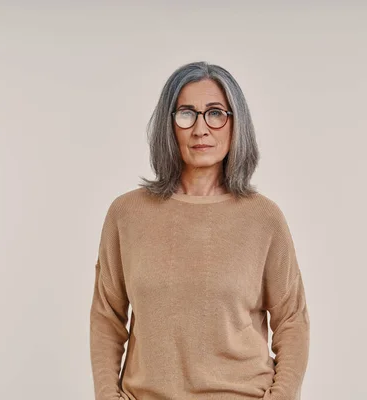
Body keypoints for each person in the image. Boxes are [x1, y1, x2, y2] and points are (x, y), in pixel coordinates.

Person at [89, 61, 310, 400]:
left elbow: (292, 321)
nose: (201, 128)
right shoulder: (126, 215)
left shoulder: (263, 218)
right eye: (186, 113)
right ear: (169, 124)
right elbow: (107, 317)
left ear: (235, 124)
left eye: (216, 113)